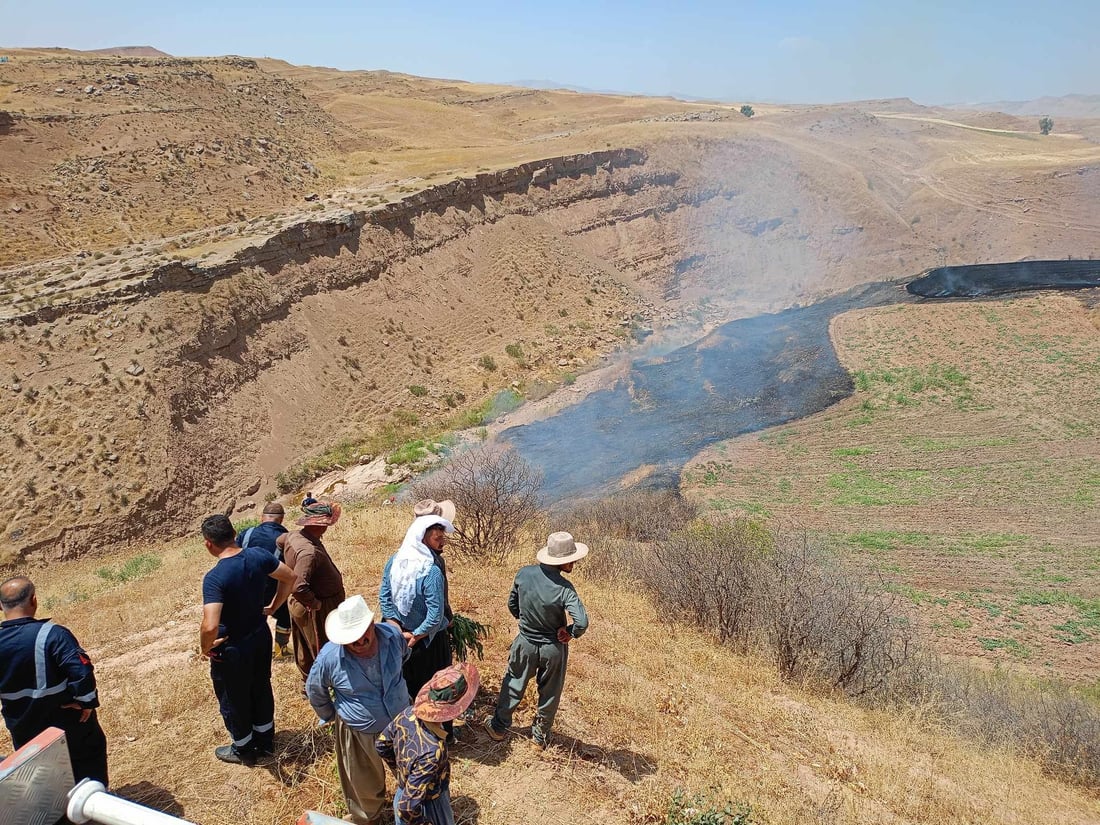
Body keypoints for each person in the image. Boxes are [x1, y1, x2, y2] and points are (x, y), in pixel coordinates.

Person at [200, 513, 296, 764]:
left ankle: (243, 748)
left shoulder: (215, 577)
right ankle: (265, 741)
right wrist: (274, 607)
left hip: (233, 646)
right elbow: (290, 578)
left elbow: (210, 624)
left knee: (234, 697)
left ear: (208, 544)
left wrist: (205, 647)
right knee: (261, 686)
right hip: (260, 635)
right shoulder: (258, 556)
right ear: (234, 533)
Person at [306, 596, 410, 825]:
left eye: (364, 633)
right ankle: (367, 817)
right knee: (363, 782)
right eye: (352, 639)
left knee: (410, 771)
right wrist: (332, 715)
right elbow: (315, 690)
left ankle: (410, 809)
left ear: (372, 625)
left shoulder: (392, 637)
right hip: (359, 729)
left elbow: (404, 657)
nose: (361, 641)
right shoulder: (330, 658)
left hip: (401, 720)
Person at [485, 532, 590, 749]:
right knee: (550, 692)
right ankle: (539, 737)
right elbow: (582, 622)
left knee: (513, 683)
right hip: (553, 647)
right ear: (563, 561)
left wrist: (525, 621)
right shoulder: (565, 588)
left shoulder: (524, 574)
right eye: (572, 559)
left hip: (525, 642)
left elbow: (512, 605)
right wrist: (570, 632)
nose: (575, 562)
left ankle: (498, 727)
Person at [0, 576, 109, 785]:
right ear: (34, 600)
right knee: (86, 770)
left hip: (23, 727)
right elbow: (81, 670)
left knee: (42, 778)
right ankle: (90, 810)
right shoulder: (53, 634)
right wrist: (86, 702)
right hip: (68, 722)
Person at [377, 663, 479, 825]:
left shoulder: (407, 713)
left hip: (404, 791)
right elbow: (407, 808)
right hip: (429, 803)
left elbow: (381, 744)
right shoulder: (433, 750)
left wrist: (400, 771)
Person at [379, 514, 454, 703]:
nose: (442, 543)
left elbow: (384, 599)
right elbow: (435, 616)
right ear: (422, 539)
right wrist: (416, 635)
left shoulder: (395, 561)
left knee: (403, 686)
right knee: (433, 690)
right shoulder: (431, 571)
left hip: (399, 640)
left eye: (443, 538)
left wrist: (396, 629)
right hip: (429, 643)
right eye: (437, 539)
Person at [277, 501, 346, 681]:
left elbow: (279, 541)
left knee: (304, 647)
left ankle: (308, 682)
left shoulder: (292, 536)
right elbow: (299, 586)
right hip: (316, 607)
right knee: (322, 648)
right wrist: (315, 603)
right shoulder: (309, 552)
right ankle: (323, 685)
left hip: (301, 604)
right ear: (320, 526)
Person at [237, 502, 292, 657]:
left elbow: (234, 554)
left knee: (249, 619)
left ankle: (247, 650)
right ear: (281, 520)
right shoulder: (285, 538)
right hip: (273, 587)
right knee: (285, 616)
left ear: (262, 517)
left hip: (246, 585)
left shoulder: (246, 533)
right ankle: (281, 650)